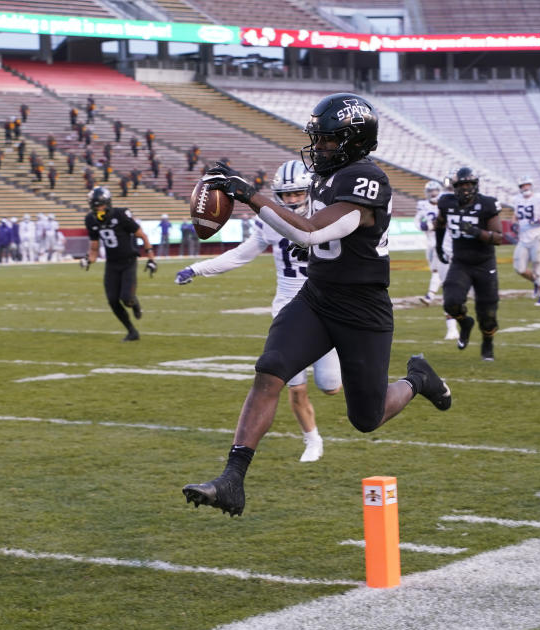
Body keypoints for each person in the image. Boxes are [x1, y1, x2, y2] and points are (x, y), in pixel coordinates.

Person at [181, 93, 452, 517]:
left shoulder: (367, 179)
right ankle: (232, 479)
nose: (318, 148)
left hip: (362, 309)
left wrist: (248, 193)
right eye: (318, 139)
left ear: (354, 141)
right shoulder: (330, 174)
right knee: (270, 370)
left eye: (327, 140)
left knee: (367, 417)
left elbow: (308, 233)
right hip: (317, 296)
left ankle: (418, 380)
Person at [177, 160, 343, 463]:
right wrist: (197, 268)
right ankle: (312, 439)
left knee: (331, 387)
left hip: (327, 307)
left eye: (296, 194)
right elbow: (241, 255)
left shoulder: (326, 214)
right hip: (289, 310)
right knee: (294, 387)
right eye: (286, 195)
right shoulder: (270, 220)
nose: (291, 200)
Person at [434, 166, 503, 360]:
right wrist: (439, 246)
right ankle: (465, 322)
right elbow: (439, 224)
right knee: (451, 302)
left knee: (488, 313)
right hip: (461, 262)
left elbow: (498, 237)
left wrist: (476, 232)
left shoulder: (487, 204)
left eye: (468, 184)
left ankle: (487, 342)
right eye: (461, 185)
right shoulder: (446, 203)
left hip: (484, 263)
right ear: (454, 187)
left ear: (475, 185)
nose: (465, 188)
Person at [81, 187, 157, 341]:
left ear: (108, 203)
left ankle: (134, 303)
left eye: (100, 205)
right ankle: (131, 331)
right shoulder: (90, 220)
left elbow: (142, 235)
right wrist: (87, 259)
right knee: (112, 300)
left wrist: (151, 259)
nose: (98, 209)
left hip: (128, 261)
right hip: (112, 264)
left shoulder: (121, 214)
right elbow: (94, 249)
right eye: (95, 206)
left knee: (126, 298)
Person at [414, 179, 458, 339]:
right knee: (445, 282)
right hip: (437, 245)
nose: (433, 194)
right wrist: (425, 225)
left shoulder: (447, 203)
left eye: (435, 191)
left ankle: (431, 295)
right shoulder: (423, 206)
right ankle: (452, 327)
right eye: (430, 191)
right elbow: (419, 222)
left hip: (455, 246)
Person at [512, 176, 540, 305]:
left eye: (527, 185)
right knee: (519, 268)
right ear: (520, 188)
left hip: (539, 236)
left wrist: (539, 220)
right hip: (523, 238)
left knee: (538, 267)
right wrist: (513, 223)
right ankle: (536, 281)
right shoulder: (517, 199)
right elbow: (515, 216)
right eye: (523, 185)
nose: (525, 187)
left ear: (531, 185)